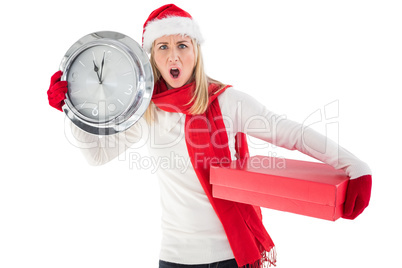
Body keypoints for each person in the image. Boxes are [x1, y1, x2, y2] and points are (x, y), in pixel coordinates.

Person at [47, 4, 372, 268]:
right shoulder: (145, 112)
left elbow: (292, 134)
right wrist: (75, 106)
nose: (173, 55)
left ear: (195, 52)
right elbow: (96, 156)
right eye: (163, 46)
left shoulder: (228, 102)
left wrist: (355, 167)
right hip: (174, 257)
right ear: (152, 58)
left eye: (182, 45)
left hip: (231, 255)